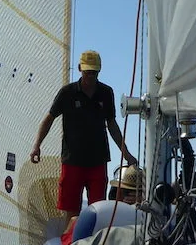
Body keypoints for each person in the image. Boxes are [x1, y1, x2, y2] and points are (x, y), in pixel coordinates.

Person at [30, 50, 137, 223]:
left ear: (99, 71)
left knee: (99, 211)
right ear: (80, 69)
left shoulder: (106, 92)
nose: (90, 77)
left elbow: (112, 124)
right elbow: (49, 119)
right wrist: (37, 145)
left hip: (98, 161)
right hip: (72, 161)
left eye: (94, 73)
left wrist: (127, 154)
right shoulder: (67, 93)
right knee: (71, 214)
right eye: (87, 72)